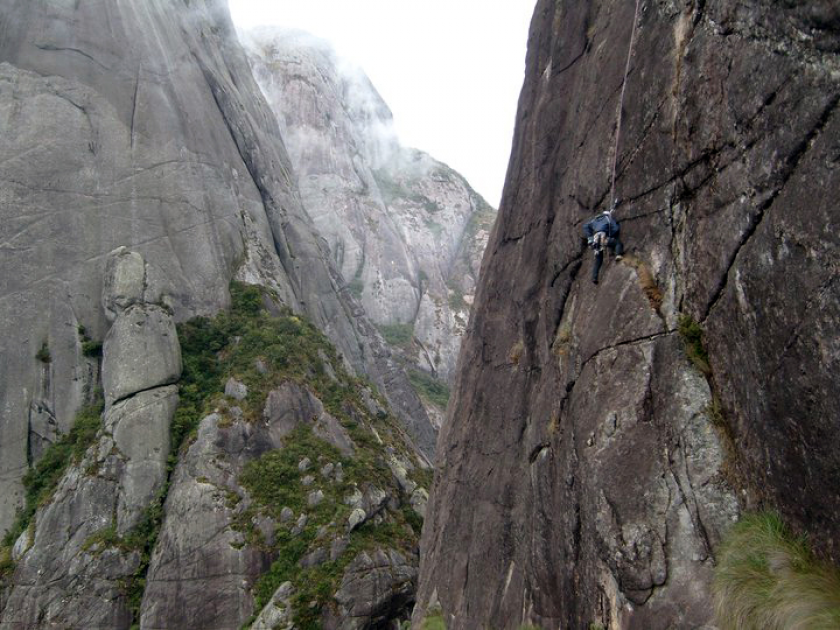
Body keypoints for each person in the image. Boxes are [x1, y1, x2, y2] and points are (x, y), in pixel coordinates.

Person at [582, 202, 624, 284]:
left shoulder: (594, 220)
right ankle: (618, 255)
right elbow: (615, 229)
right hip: (603, 237)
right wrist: (611, 234)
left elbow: (585, 226)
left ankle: (594, 277)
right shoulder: (608, 218)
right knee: (617, 243)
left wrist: (589, 238)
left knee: (598, 260)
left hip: (595, 239)